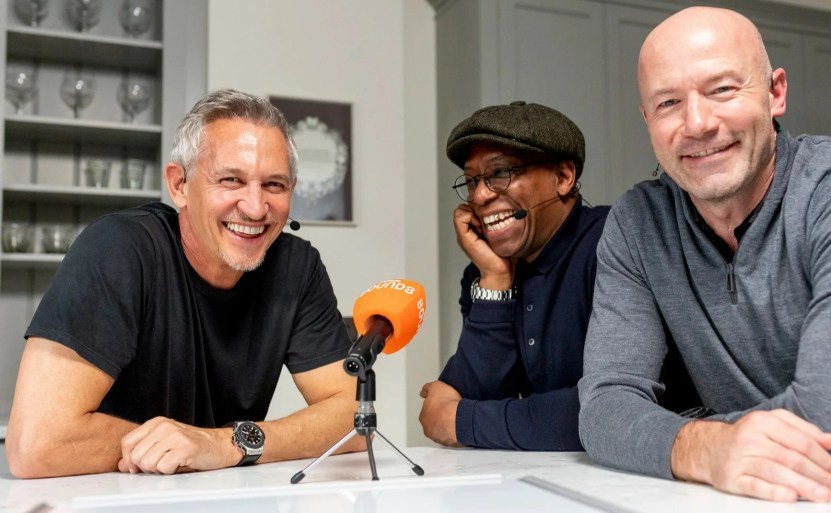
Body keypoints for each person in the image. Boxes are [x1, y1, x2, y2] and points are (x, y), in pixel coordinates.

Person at [578, 6, 831, 503]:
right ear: (647, 118)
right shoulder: (636, 224)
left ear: (775, 93)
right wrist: (705, 446)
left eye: (722, 90)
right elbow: (603, 409)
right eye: (669, 102)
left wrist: (675, 435)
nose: (697, 123)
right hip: (751, 495)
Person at [6, 89, 364, 478]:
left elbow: (356, 420)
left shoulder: (297, 266)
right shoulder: (118, 249)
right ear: (179, 185)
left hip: (217, 494)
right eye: (231, 180)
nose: (256, 207)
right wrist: (187, 449)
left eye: (274, 185)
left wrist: (223, 445)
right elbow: (37, 444)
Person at [419, 101, 699, 450]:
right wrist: (494, 281)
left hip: (656, 471)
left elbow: (612, 408)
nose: (479, 195)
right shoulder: (489, 269)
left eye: (499, 173)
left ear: (564, 178)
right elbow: (481, 392)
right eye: (472, 180)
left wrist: (461, 420)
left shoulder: (616, 244)